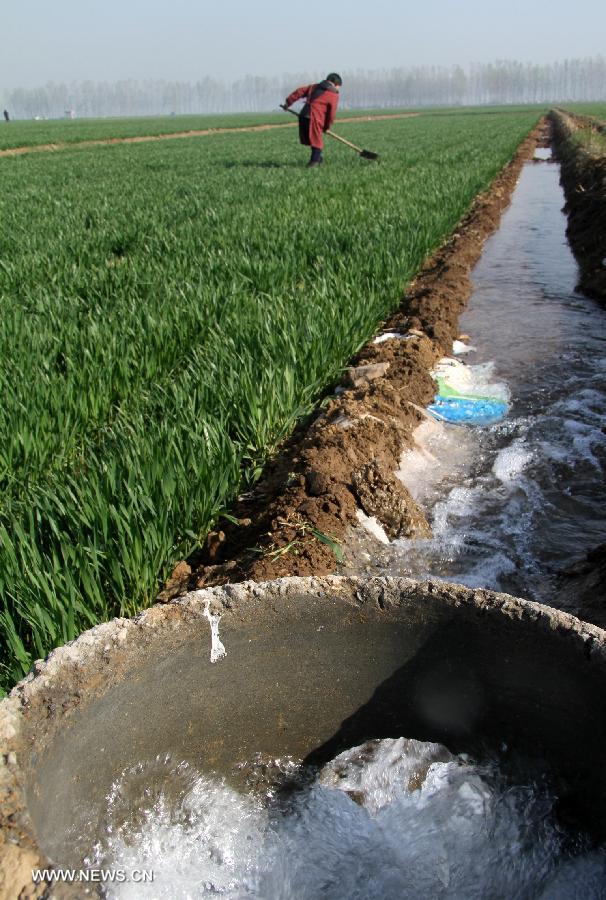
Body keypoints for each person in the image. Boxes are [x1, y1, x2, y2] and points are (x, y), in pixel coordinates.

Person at [282, 73, 342, 167]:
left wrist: (288, 103)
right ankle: (313, 163)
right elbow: (331, 114)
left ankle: (319, 159)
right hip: (314, 118)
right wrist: (326, 126)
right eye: (339, 87)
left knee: (313, 140)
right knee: (317, 142)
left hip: (303, 116)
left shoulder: (314, 86)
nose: (339, 89)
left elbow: (299, 92)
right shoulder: (333, 94)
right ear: (336, 84)